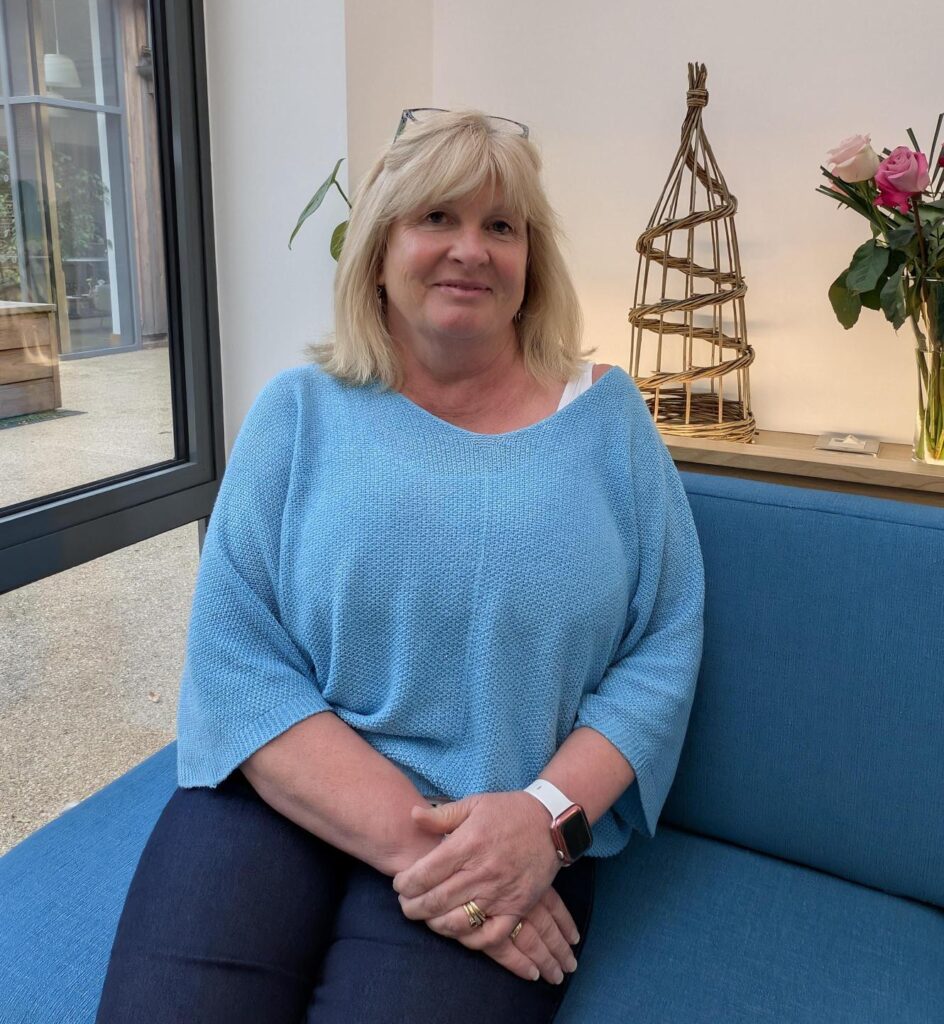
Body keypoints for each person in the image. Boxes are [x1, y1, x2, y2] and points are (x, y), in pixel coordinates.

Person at [96, 108, 705, 1023]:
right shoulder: (298, 412)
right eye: (436, 219)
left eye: (501, 226)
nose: (471, 249)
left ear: (531, 261)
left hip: (510, 823)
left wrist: (540, 823)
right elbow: (234, 657)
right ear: (380, 249)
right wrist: (428, 850)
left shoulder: (608, 422)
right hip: (284, 799)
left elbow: (663, 643)